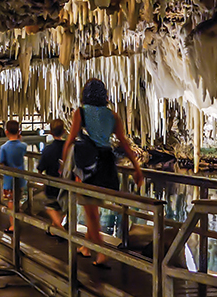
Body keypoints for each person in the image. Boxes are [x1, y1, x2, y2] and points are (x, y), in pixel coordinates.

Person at [62, 78, 145, 269]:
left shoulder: (80, 113)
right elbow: (124, 143)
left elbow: (71, 139)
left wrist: (63, 165)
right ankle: (86, 247)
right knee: (93, 207)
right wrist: (137, 168)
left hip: (88, 167)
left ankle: (101, 254)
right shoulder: (113, 116)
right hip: (107, 166)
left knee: (91, 212)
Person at [37, 119, 66, 235]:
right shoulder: (68, 148)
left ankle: (60, 230)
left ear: (51, 132)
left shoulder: (48, 150)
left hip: (51, 184)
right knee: (61, 207)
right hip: (66, 184)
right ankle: (55, 228)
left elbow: (40, 168)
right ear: (64, 131)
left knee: (50, 206)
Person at [0, 120, 27, 233]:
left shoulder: (4, 148)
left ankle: (13, 225)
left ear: (6, 132)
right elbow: (22, 147)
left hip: (9, 180)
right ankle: (18, 220)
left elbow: (1, 162)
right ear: (19, 131)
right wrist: (19, 139)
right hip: (20, 178)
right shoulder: (23, 146)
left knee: (10, 201)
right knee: (17, 200)